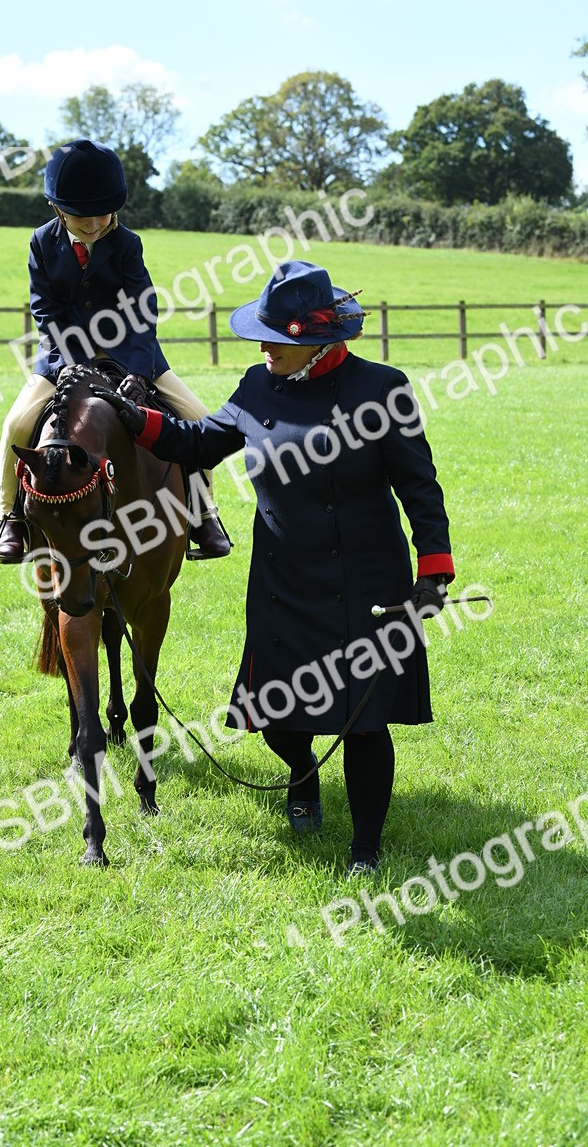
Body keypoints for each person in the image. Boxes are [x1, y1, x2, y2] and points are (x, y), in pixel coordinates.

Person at [93, 260, 455, 875]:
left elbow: (420, 488)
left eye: (276, 340)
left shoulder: (382, 389)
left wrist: (434, 574)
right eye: (261, 337)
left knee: (364, 724)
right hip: (282, 581)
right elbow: (199, 443)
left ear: (318, 342)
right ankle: (302, 774)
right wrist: (137, 420)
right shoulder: (257, 387)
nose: (264, 349)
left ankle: (365, 851)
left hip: (367, 581)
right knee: (278, 717)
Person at [0, 138, 230, 563]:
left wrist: (137, 372)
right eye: (82, 216)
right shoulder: (41, 243)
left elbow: (143, 312)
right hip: (63, 356)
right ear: (57, 208)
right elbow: (46, 311)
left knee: (196, 418)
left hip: (131, 352)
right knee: (16, 425)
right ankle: (9, 518)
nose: (94, 224)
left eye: (102, 214)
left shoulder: (127, 243)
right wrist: (69, 366)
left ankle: (203, 513)